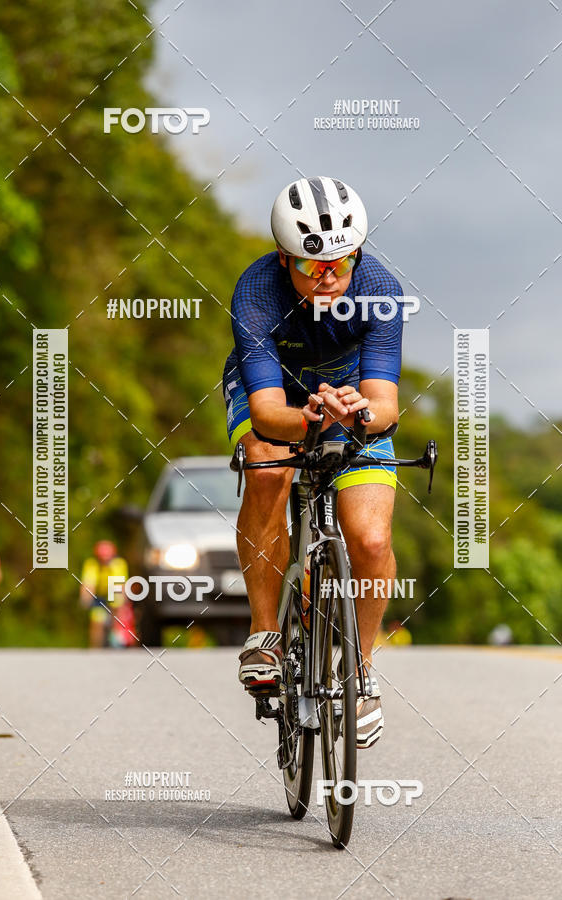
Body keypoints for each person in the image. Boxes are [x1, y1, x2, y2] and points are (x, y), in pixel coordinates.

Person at [223, 176, 404, 749]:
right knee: (268, 466)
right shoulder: (256, 292)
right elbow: (267, 411)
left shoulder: (380, 289)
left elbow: (386, 405)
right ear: (284, 258)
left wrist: (358, 414)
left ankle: (362, 670)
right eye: (310, 265)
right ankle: (265, 632)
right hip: (280, 395)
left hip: (349, 398)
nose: (328, 276)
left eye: (341, 261)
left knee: (371, 541)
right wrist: (309, 418)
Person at [80, 540, 131, 648]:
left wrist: (122, 603)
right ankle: (96, 648)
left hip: (113, 594)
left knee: (116, 617)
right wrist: (85, 598)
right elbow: (88, 584)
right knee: (96, 622)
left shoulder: (119, 564)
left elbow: (121, 585)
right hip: (99, 596)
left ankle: (114, 642)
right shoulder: (92, 564)